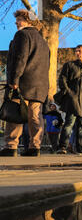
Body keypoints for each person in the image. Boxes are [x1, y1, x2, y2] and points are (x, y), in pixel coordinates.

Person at [0, 9, 50, 157]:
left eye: (20, 19)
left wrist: (14, 80)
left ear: (29, 21)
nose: (16, 23)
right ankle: (35, 147)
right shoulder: (43, 42)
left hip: (23, 83)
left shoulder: (22, 35)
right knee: (35, 116)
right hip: (39, 85)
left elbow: (20, 59)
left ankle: (11, 146)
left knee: (14, 113)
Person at [56, 45, 82, 155]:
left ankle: (81, 148)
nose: (77, 53)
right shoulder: (69, 65)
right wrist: (69, 93)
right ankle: (62, 147)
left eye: (79, 51)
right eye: (76, 51)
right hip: (72, 100)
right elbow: (62, 80)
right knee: (69, 124)